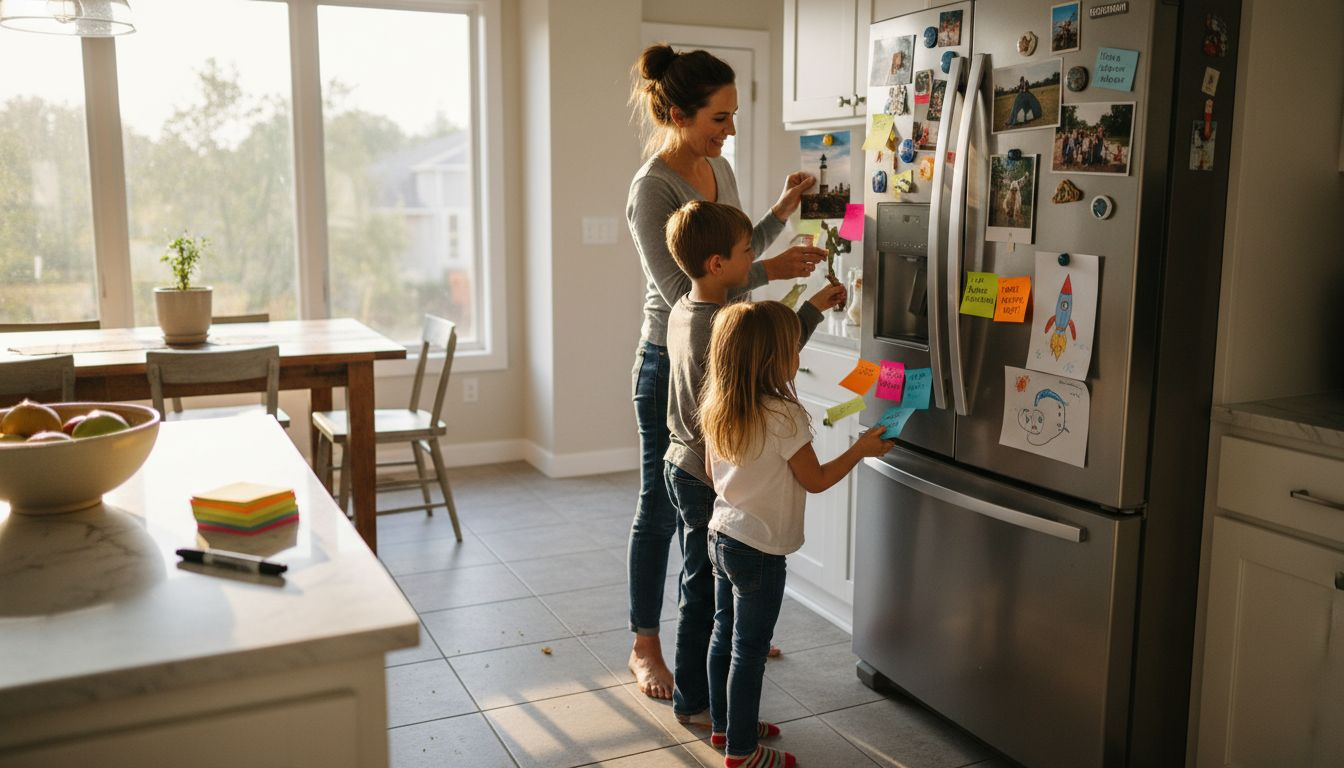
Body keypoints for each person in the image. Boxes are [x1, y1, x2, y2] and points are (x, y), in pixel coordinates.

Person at [626, 43, 825, 701]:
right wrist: (775, 272)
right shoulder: (653, 188)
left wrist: (780, 211)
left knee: (725, 504)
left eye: (734, 115)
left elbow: (733, 246)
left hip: (728, 353)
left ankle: (724, 624)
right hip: (675, 363)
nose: (731, 129)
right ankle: (646, 646)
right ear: (679, 114)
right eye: (719, 118)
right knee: (668, 508)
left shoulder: (719, 166)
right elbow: (691, 282)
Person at [662, 201, 846, 732]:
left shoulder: (682, 307)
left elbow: (754, 355)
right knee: (704, 598)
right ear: (717, 262)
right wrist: (807, 313)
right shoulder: (718, 324)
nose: (755, 262)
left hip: (684, 461)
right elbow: (757, 365)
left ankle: (714, 708)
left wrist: (804, 308)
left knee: (703, 588)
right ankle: (697, 702)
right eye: (748, 253)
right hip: (703, 475)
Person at [699, 301, 894, 767]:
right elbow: (817, 479)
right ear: (770, 359)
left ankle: (727, 728)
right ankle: (743, 753)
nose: (798, 359)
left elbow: (711, 473)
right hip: (761, 549)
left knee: (723, 635)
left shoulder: (718, 405)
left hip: (721, 535)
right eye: (792, 350)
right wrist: (861, 450)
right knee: (749, 651)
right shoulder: (784, 416)